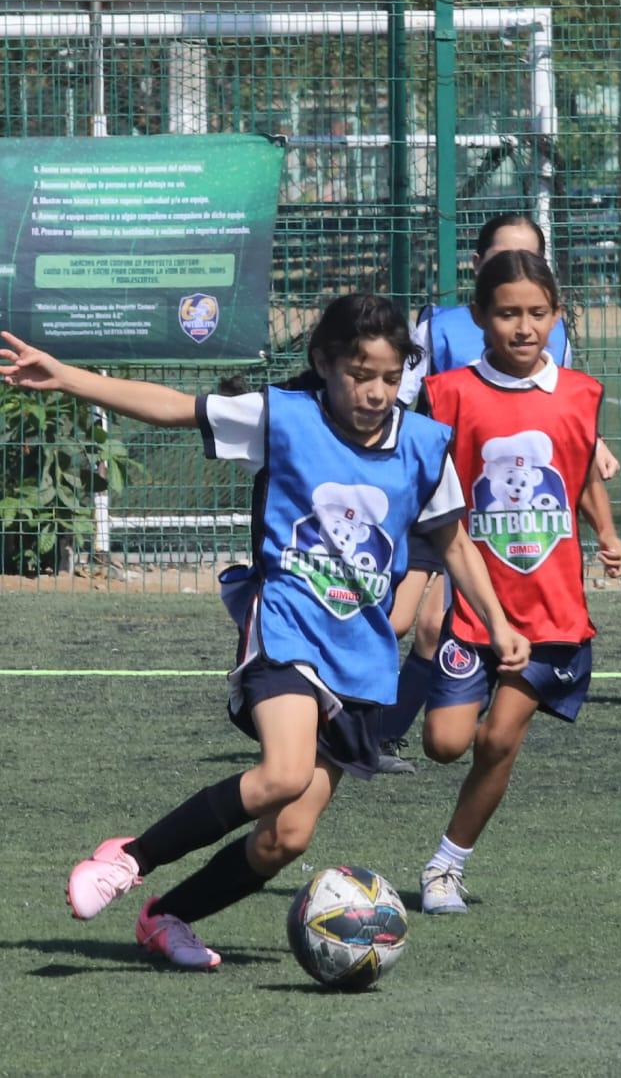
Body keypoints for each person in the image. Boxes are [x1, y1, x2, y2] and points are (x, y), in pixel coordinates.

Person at [0, 297, 529, 970]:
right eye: (359, 374)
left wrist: (498, 623)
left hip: (361, 657)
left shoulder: (423, 445)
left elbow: (453, 543)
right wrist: (66, 377)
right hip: (285, 628)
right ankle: (128, 859)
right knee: (283, 773)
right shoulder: (283, 418)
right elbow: (174, 407)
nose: (375, 391)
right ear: (323, 364)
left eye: (390, 377)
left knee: (287, 837)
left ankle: (166, 918)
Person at [413, 248, 621, 914]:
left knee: (500, 738)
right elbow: (428, 490)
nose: (524, 327)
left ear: (557, 315)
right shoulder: (448, 395)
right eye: (508, 313)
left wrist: (606, 530)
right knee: (445, 743)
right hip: (476, 608)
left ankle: (446, 866)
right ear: (479, 316)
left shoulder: (580, 393)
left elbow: (577, 469)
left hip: (552, 613)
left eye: (537, 313)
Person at [379, 214, 619, 774]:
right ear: (478, 269)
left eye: (531, 258)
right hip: (439, 499)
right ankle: (356, 722)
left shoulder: (551, 337)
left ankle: (391, 729)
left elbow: (556, 422)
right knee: (399, 622)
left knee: (436, 626)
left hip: (500, 521)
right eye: (504, 257)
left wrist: (598, 473)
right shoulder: (438, 329)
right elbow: (402, 400)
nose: (523, 323)